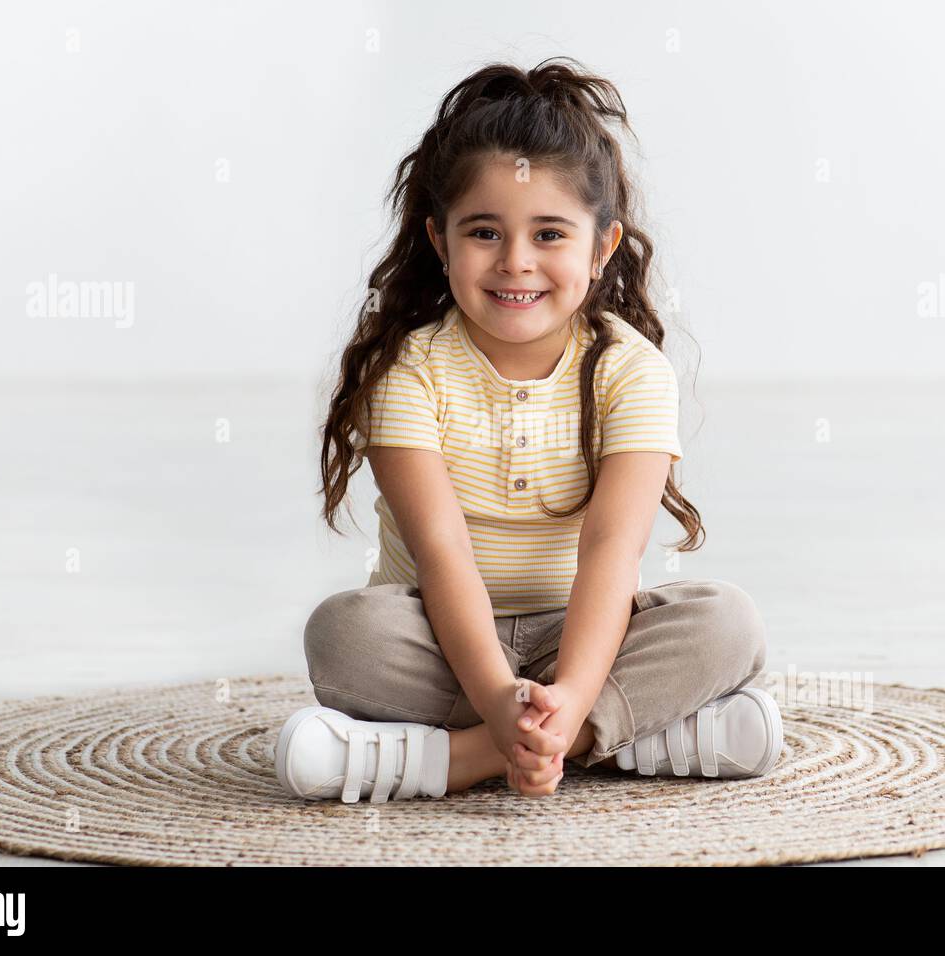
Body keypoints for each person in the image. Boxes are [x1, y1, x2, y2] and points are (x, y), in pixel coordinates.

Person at [275, 56, 781, 805]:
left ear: (600, 247)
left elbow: (612, 548)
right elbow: (441, 553)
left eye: (549, 234)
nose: (516, 262)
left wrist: (570, 692)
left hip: (584, 631)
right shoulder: (409, 372)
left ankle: (456, 760)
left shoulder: (631, 372)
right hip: (439, 635)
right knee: (344, 635)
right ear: (440, 242)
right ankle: (631, 740)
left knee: (727, 623)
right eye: (484, 232)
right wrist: (496, 697)